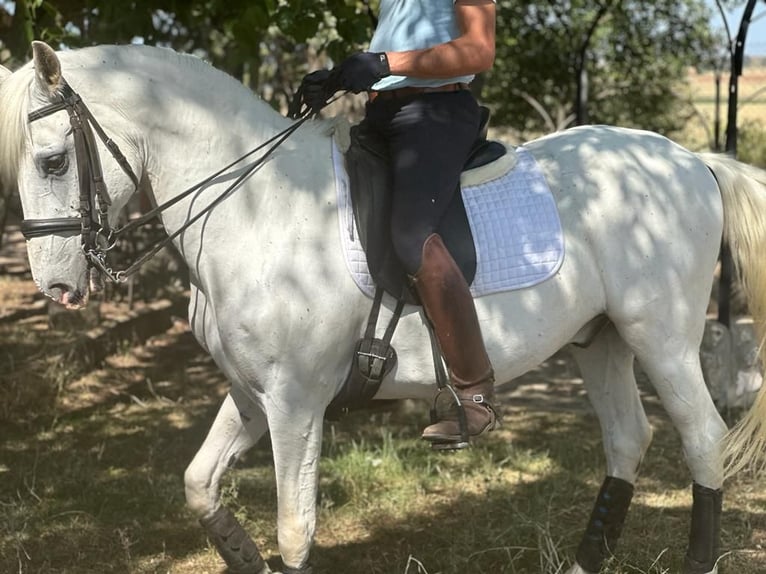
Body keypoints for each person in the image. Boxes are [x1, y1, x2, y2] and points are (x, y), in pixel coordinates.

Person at [298, 0, 498, 448]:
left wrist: (384, 63)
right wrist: (336, 78)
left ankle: (475, 392)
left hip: (435, 115)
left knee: (412, 236)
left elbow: (480, 50)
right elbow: (400, 49)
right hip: (380, 114)